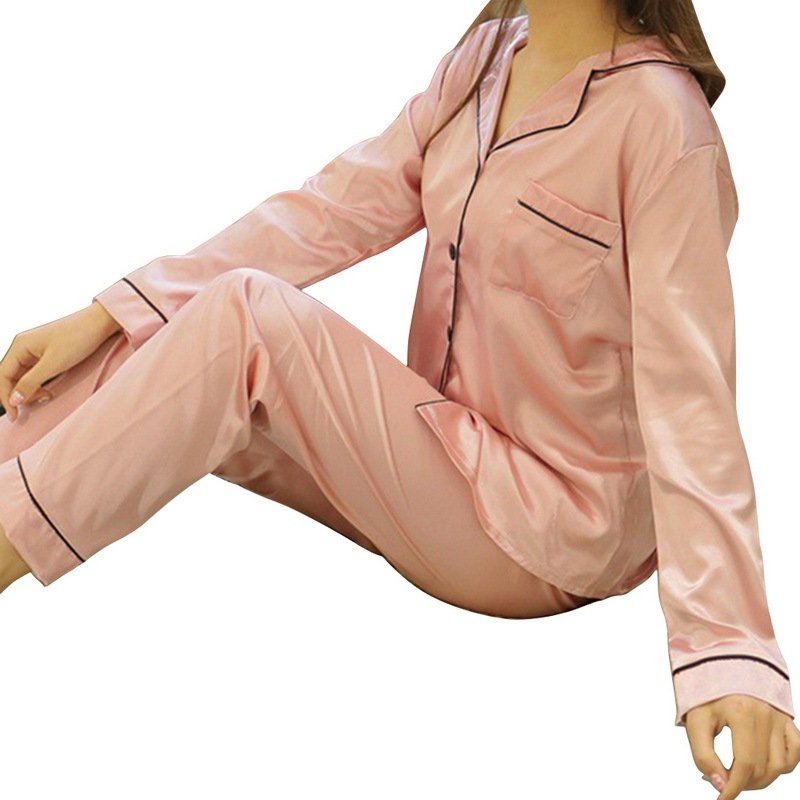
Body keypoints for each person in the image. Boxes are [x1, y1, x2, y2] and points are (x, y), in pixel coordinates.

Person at [1, 1, 798, 795]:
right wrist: (107, 312)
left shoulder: (662, 122)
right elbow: (332, 210)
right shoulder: (487, 59)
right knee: (158, 335)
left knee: (244, 319)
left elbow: (689, 397)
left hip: (546, 530)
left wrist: (729, 651)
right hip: (438, 460)